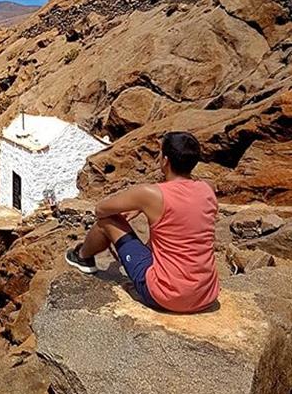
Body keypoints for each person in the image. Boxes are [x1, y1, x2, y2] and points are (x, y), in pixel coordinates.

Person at [65, 131, 219, 313]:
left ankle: (83, 257)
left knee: (107, 220)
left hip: (167, 296)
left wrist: (138, 202)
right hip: (206, 294)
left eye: (160, 154)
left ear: (166, 160)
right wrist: (141, 206)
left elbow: (101, 209)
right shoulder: (206, 189)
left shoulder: (150, 194)